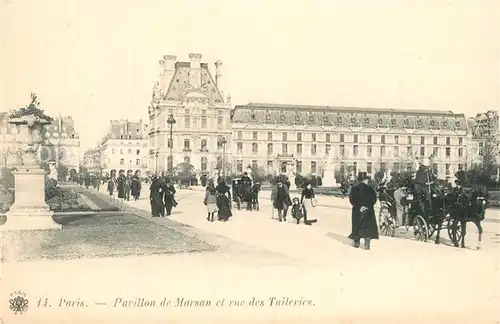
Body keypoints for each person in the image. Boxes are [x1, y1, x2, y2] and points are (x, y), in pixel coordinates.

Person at [348, 171, 379, 250]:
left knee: (357, 225)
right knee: (368, 227)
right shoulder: (370, 189)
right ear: (366, 180)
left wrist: (359, 207)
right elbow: (374, 200)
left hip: (358, 210)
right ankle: (367, 244)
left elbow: (352, 200)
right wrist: (368, 206)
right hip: (368, 210)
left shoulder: (354, 189)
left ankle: (357, 242)